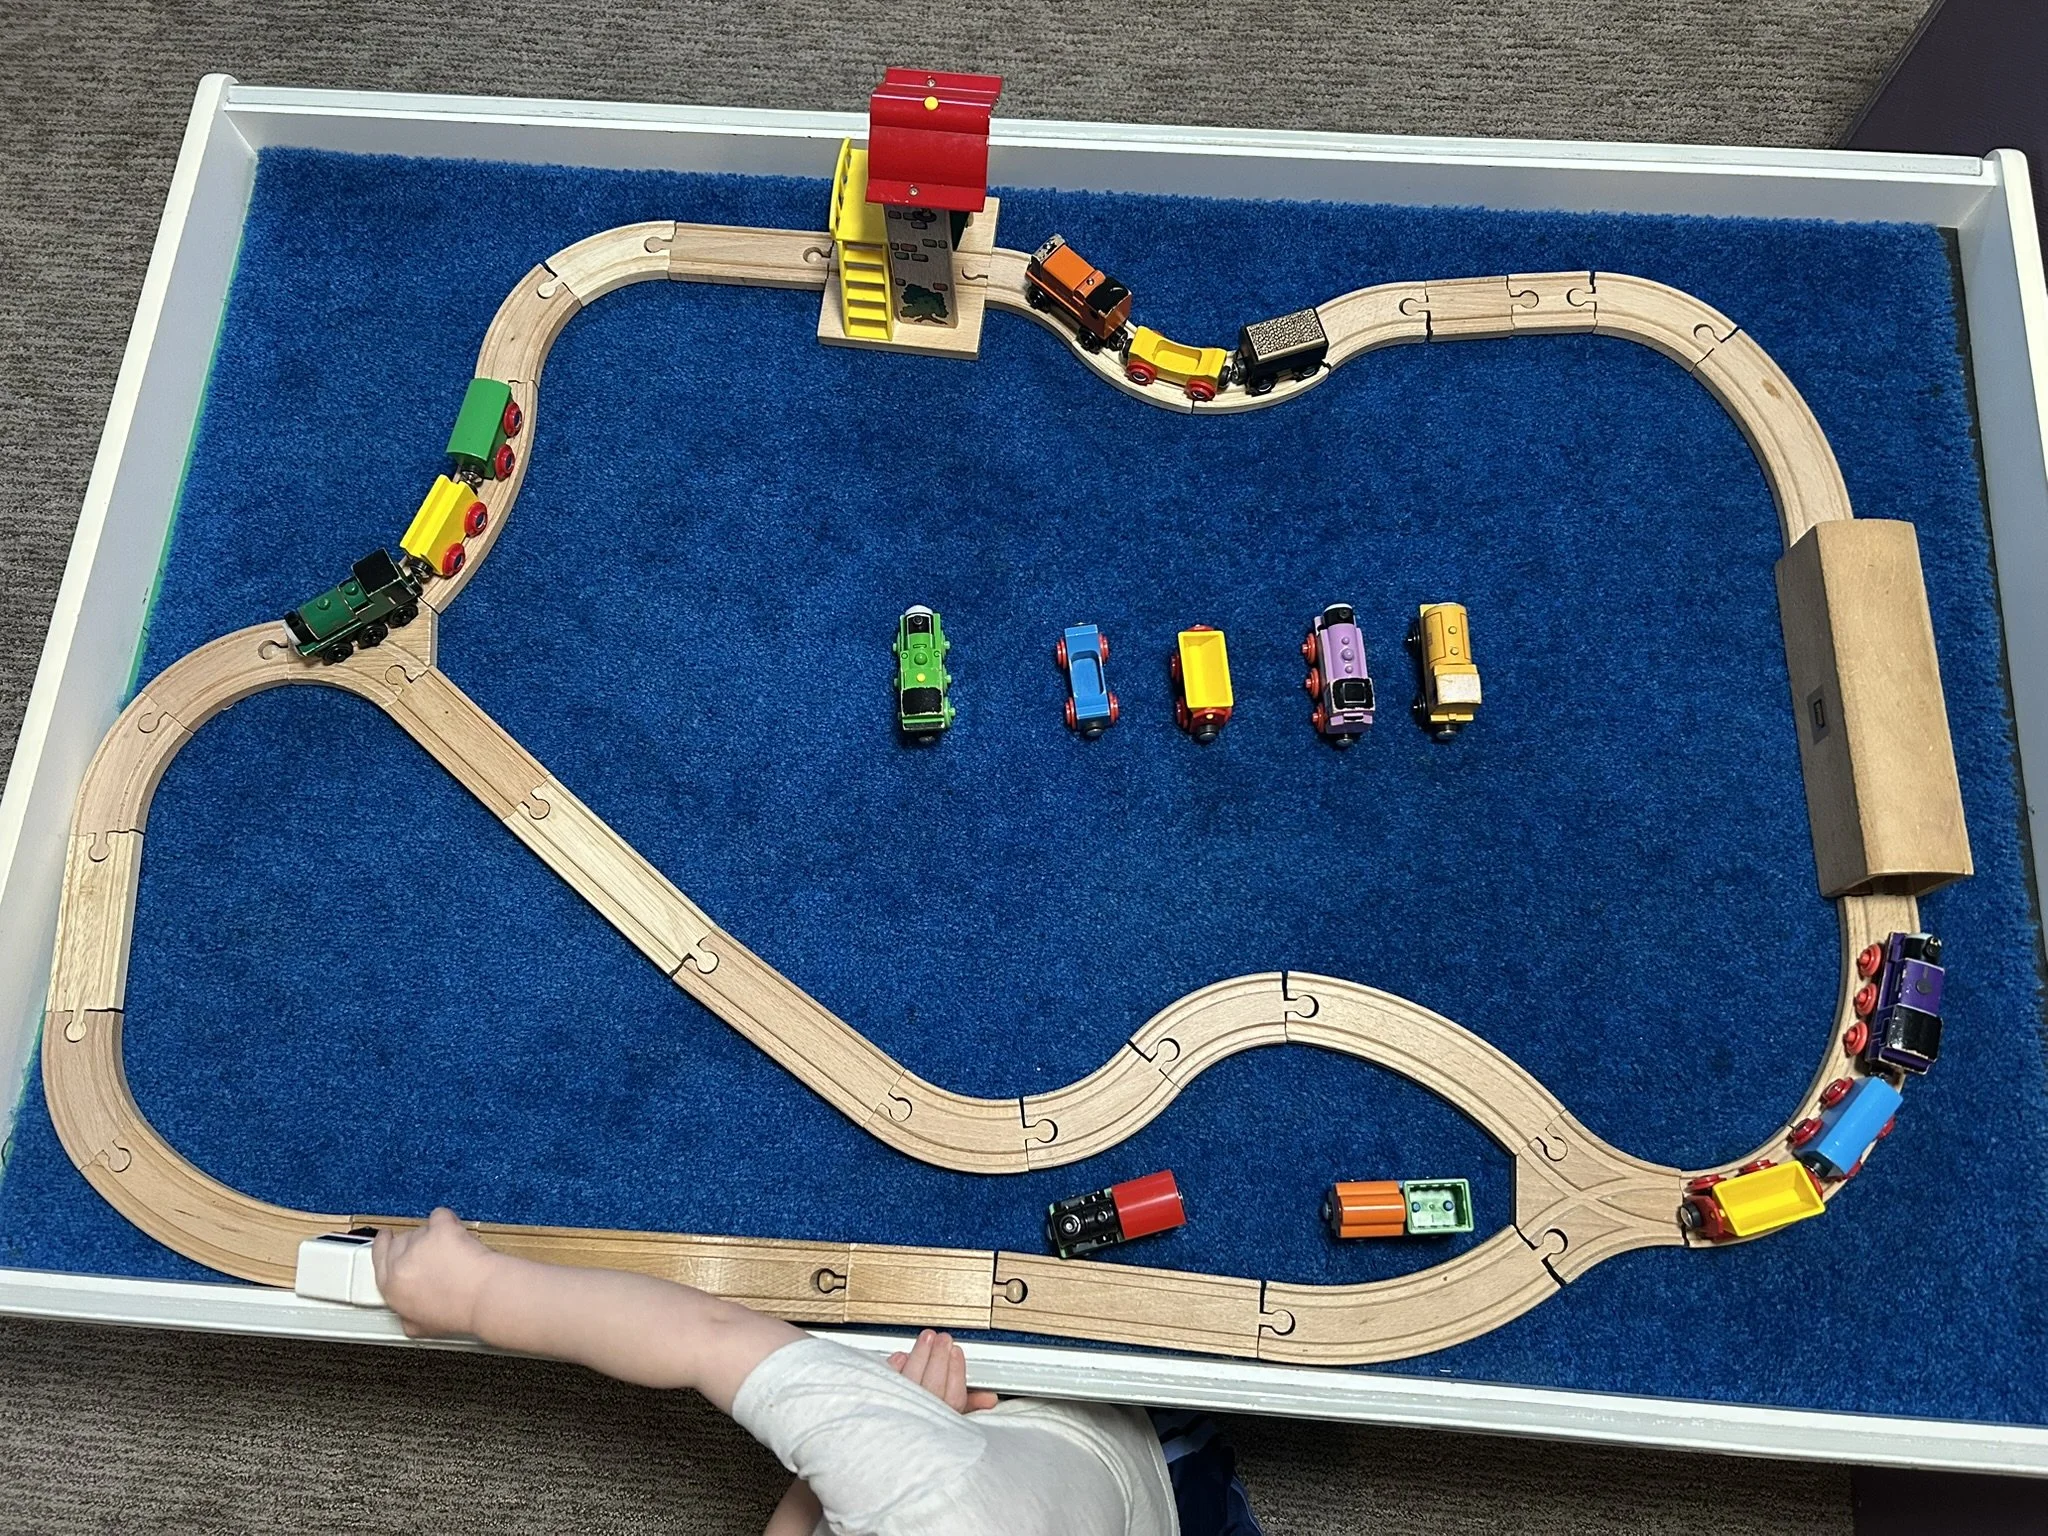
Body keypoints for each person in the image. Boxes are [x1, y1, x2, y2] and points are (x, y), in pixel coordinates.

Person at [371, 1208, 1264, 1536]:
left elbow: (715, 1341)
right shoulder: (929, 1497)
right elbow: (706, 1335)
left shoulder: (922, 1493)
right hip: (1145, 1460)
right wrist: (478, 1292)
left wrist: (871, 1447)